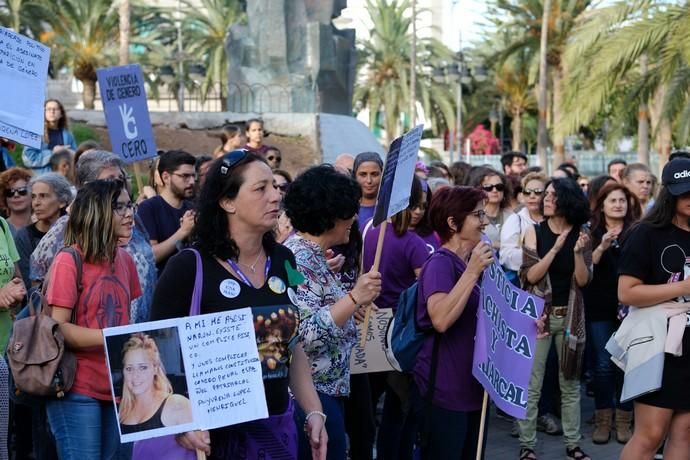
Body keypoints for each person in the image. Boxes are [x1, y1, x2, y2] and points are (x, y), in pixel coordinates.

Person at [151, 150, 327, 459]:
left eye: (275, 186)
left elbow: (291, 345)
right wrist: (181, 424)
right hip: (212, 440)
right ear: (227, 202)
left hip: (276, 432)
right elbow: (158, 355)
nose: (275, 196)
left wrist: (314, 412)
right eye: (261, 189)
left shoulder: (285, 260)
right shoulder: (189, 267)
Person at [283, 164, 381, 460]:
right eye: (348, 210)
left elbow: (325, 310)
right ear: (329, 216)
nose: (353, 218)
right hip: (313, 397)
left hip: (330, 390)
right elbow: (304, 335)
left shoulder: (313, 257)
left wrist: (351, 310)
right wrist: (353, 298)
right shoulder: (297, 259)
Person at [45, 179, 141, 460]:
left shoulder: (125, 260)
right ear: (97, 212)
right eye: (118, 207)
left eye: (129, 205)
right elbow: (58, 327)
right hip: (77, 386)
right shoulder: (69, 259)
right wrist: (114, 339)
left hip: (121, 387)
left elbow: (127, 318)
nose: (129, 213)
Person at [411, 186, 494, 459]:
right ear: (452, 222)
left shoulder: (471, 263)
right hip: (445, 392)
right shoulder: (440, 264)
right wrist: (471, 273)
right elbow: (441, 319)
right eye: (477, 214)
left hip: (473, 389)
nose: (485, 221)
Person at [617, 158, 690, 460]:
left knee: (685, 432)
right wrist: (683, 288)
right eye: (684, 193)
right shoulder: (646, 233)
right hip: (656, 344)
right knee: (651, 434)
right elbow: (627, 292)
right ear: (669, 194)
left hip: (688, 345)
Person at [30, 150, 156, 324]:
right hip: (85, 344)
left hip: (129, 340)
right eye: (112, 180)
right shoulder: (64, 237)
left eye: (122, 178)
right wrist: (111, 337)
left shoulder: (132, 230)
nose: (119, 185)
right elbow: (39, 285)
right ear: (89, 187)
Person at [517, 178, 592, 460]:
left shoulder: (582, 234)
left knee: (570, 384)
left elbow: (583, 281)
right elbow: (530, 276)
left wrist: (576, 253)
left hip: (571, 317)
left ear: (567, 200)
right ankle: (527, 445)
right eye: (544, 194)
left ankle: (573, 444)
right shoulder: (534, 231)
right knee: (532, 384)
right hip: (539, 319)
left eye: (551, 195)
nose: (545, 199)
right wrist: (556, 248)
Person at [361, 176, 427, 460]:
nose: (420, 212)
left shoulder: (372, 232)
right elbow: (426, 291)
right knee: (400, 407)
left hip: (372, 322)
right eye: (416, 205)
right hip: (400, 331)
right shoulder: (415, 244)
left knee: (371, 401)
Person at [585, 183, 639, 444]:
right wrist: (602, 246)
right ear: (602, 204)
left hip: (631, 308)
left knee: (627, 364)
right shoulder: (591, 231)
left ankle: (624, 419)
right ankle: (603, 419)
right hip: (599, 306)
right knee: (604, 365)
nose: (618, 204)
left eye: (622, 200)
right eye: (612, 200)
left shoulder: (638, 231)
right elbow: (585, 269)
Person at [118, 333, 193, 434]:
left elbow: (200, 447)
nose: (135, 375)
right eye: (129, 368)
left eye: (143, 367)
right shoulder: (120, 411)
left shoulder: (177, 404)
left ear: (155, 369)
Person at [137, 150, 196, 275]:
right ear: (166, 177)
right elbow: (150, 256)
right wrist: (183, 232)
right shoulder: (148, 208)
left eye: (193, 176)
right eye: (185, 176)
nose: (191, 181)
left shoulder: (193, 208)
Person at [14, 173, 72, 288]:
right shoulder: (24, 236)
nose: (36, 203)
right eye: (34, 196)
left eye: (43, 196)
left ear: (62, 201)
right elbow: (29, 285)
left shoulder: (75, 231)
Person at [500, 172, 547, 282]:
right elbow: (505, 256)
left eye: (538, 192)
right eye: (527, 192)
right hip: (523, 283)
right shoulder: (515, 220)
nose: (532, 196)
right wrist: (534, 258)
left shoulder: (555, 220)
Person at [22, 99, 77, 174]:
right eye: (48, 109)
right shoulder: (35, 133)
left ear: (61, 114)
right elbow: (29, 159)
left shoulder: (68, 135)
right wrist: (53, 152)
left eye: (56, 109)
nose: (52, 111)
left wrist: (69, 153)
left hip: (64, 178)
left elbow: (75, 157)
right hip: (42, 179)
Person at [468, 167, 514, 251]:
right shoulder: (472, 216)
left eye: (499, 187)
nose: (495, 190)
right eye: (488, 187)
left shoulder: (512, 216)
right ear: (479, 190)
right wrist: (493, 244)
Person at [352, 152, 383, 232]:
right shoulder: (348, 209)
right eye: (363, 175)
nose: (369, 181)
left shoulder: (390, 209)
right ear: (355, 176)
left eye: (374, 174)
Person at [410, 183, 441, 254]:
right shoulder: (387, 232)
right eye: (413, 205)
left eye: (423, 206)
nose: (418, 211)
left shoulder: (436, 236)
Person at [0, 167, 33, 232]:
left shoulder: (43, 226)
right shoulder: (1, 228)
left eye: (22, 191)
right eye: (10, 192)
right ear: (4, 197)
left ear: (32, 193)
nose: (16, 195)